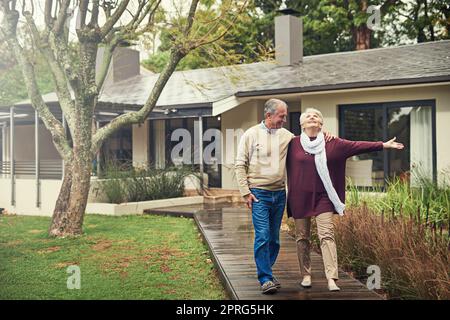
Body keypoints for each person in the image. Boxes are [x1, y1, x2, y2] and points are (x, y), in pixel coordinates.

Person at [286, 108, 404, 291]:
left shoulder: (333, 143)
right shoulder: (292, 143)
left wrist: (383, 145)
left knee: (326, 235)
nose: (312, 117)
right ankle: (306, 274)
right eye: (308, 116)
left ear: (321, 123)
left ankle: (331, 278)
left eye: (316, 116)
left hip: (324, 197)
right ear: (301, 124)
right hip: (300, 196)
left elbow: (358, 145)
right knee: (302, 237)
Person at [234, 99, 334, 294]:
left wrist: (324, 134)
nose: (284, 120)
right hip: (258, 194)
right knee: (262, 236)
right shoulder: (251, 134)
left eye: (285, 116)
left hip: (279, 195)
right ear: (269, 115)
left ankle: (267, 272)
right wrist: (245, 192)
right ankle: (265, 278)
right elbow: (240, 164)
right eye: (282, 116)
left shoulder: (287, 136)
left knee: (275, 240)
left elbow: (306, 141)